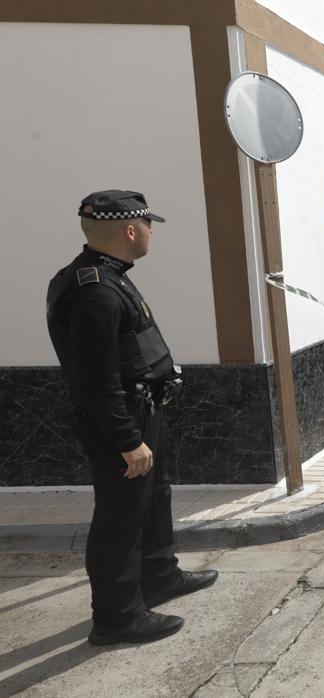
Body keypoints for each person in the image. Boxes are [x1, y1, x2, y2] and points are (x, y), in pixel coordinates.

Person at [45, 190, 217, 646]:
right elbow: (94, 380)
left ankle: (159, 576)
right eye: (147, 224)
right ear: (128, 230)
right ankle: (116, 617)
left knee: (153, 497)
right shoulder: (95, 293)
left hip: (140, 409)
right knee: (120, 517)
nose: (151, 232)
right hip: (120, 418)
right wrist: (126, 438)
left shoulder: (108, 276)